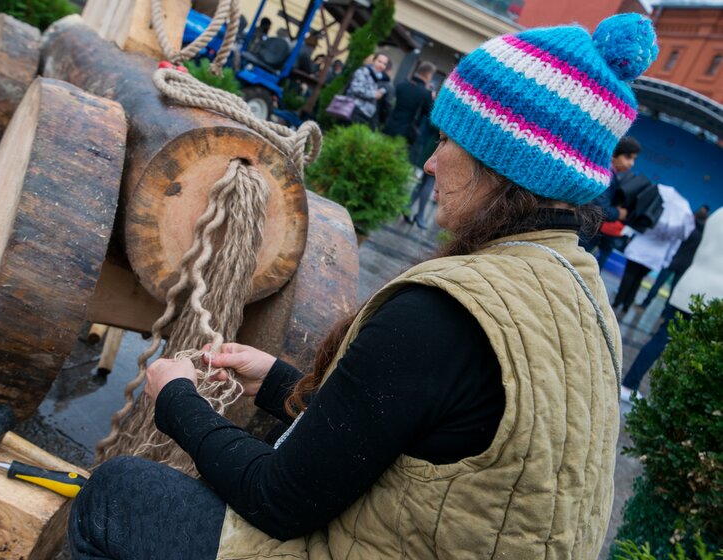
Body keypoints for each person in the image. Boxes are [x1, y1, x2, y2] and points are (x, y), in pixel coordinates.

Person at [70, 13, 658, 559]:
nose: (429, 163)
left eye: (449, 142)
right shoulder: (581, 298)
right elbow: (416, 428)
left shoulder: (442, 313)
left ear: (500, 162)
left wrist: (176, 400)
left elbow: (277, 501)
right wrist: (279, 384)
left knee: (120, 495)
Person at [621, 207, 722, 402]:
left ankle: (629, 384)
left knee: (661, 338)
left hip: (690, 285)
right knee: (699, 355)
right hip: (715, 298)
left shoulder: (719, 214)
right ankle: (675, 404)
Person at [611, 184, 694, 316]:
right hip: (655, 257)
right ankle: (627, 304)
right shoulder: (678, 223)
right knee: (638, 279)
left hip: (638, 249)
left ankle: (617, 301)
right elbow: (674, 246)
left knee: (629, 275)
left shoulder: (654, 209)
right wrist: (666, 261)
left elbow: (639, 225)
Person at [580, 136, 639, 269]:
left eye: (634, 159)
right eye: (628, 157)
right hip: (584, 232)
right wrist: (619, 213)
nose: (631, 163)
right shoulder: (606, 175)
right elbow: (601, 209)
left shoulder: (612, 175)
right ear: (614, 154)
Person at [638, 204, 710, 308]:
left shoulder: (687, 229)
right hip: (685, 266)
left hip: (672, 260)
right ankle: (664, 314)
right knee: (674, 291)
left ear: (695, 216)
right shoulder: (703, 235)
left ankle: (645, 303)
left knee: (658, 284)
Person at [383, 61, 436, 145]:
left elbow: (388, 103)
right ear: (428, 75)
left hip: (389, 126)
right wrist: (432, 98)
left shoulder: (401, 85)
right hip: (406, 134)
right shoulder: (426, 94)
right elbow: (430, 113)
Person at [346, 52, 389, 129]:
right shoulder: (363, 72)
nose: (381, 65)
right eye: (379, 61)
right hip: (355, 109)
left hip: (366, 114)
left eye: (384, 64)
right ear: (373, 61)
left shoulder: (380, 78)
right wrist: (373, 94)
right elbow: (355, 88)